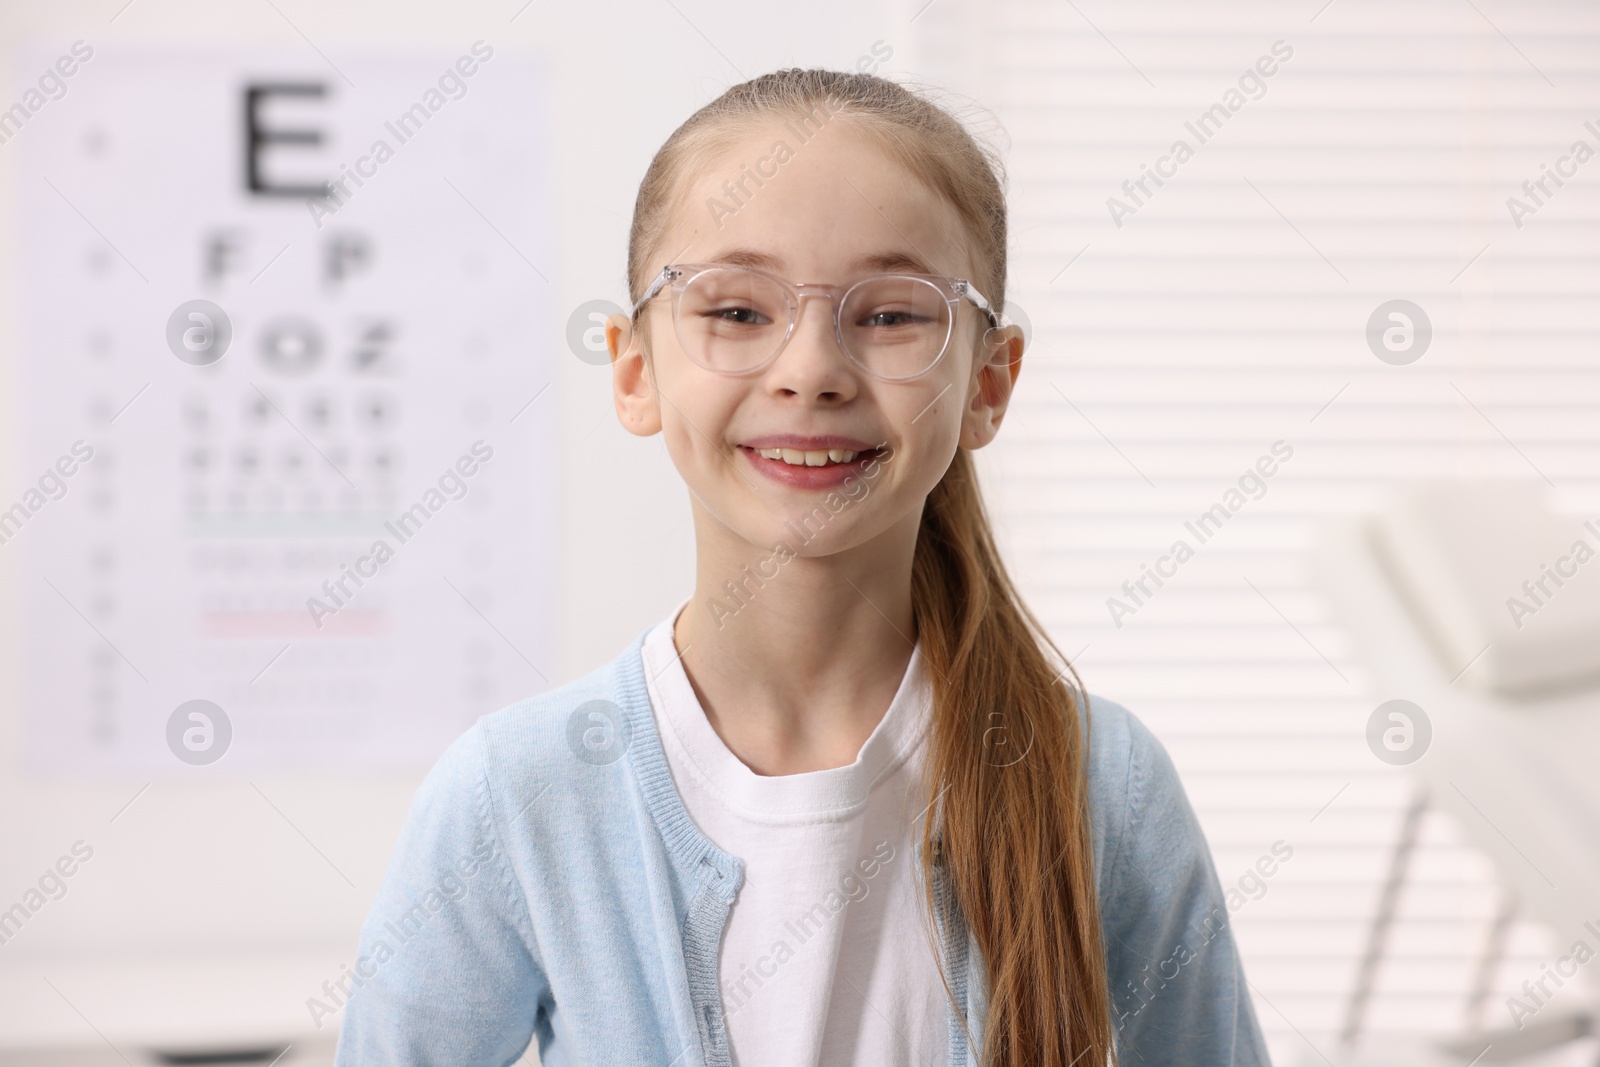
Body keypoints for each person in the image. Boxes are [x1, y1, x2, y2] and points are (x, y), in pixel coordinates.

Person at [334, 68, 1271, 1067]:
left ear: (989, 383)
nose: (810, 367)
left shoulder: (1104, 783)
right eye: (736, 311)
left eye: (890, 313)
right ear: (634, 368)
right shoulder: (514, 793)